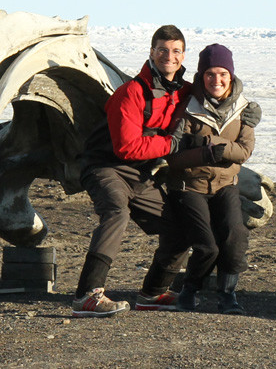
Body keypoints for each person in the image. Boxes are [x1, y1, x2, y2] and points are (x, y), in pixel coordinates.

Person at [71, 25, 192, 318]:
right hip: (105, 167)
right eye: (162, 50)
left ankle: (152, 293)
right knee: (116, 213)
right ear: (152, 52)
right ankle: (88, 296)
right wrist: (171, 145)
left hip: (141, 173)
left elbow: (220, 87)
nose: (169, 56)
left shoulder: (185, 92)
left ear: (183, 55)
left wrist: (244, 108)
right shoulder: (131, 92)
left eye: (176, 51)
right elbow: (127, 147)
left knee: (180, 228)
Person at [164, 43, 259, 315]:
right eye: (209, 74)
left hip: (226, 185)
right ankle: (189, 291)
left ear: (231, 76)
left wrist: (212, 144)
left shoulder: (244, 110)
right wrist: (205, 154)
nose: (216, 80)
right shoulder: (186, 108)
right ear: (201, 75)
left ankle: (227, 295)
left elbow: (244, 151)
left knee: (235, 235)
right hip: (189, 186)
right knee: (207, 246)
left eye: (222, 74)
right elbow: (173, 157)